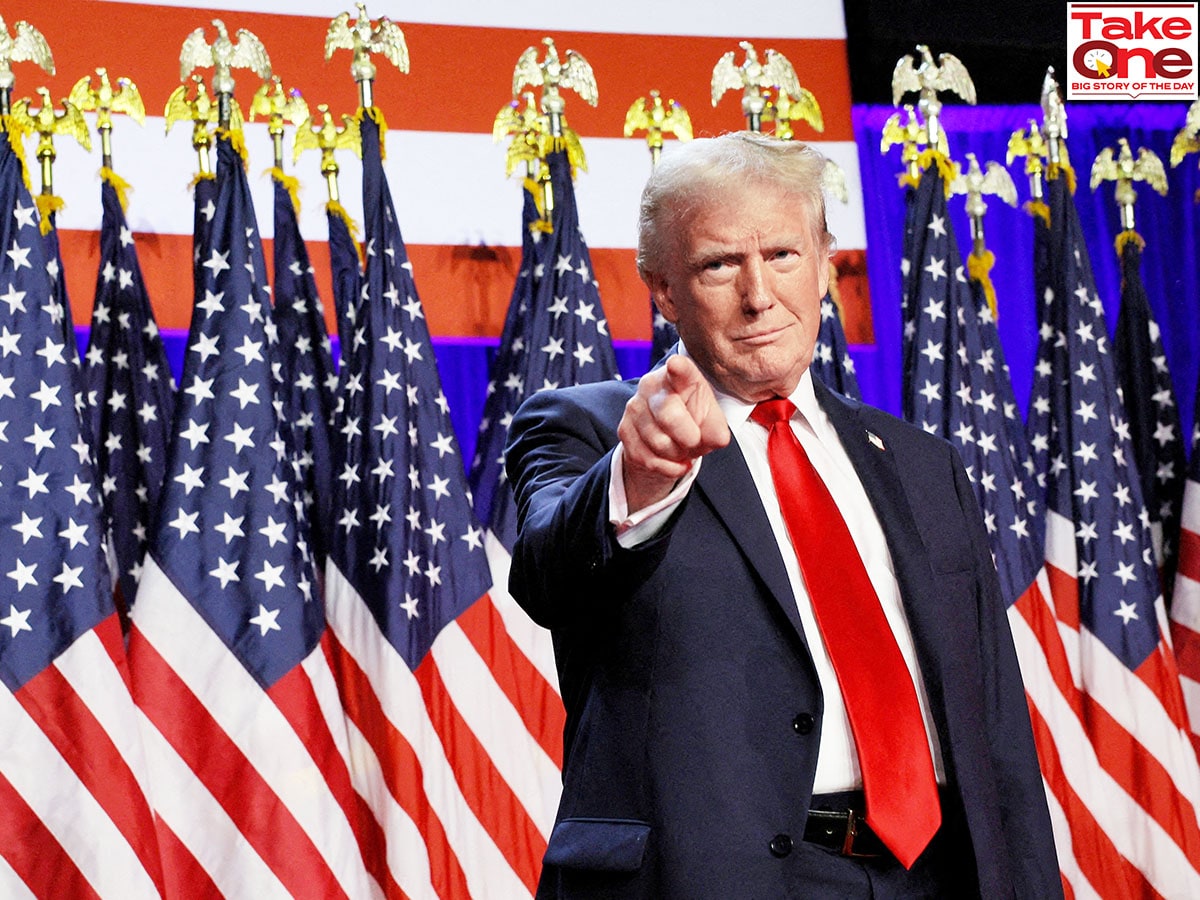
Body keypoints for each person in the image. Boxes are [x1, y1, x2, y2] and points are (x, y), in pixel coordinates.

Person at [505, 131, 1061, 899]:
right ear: (663, 289)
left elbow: (995, 724)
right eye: (719, 264)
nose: (758, 294)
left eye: (783, 256)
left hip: (935, 875)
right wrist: (642, 474)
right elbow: (547, 577)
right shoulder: (594, 431)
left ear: (827, 264)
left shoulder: (921, 463)